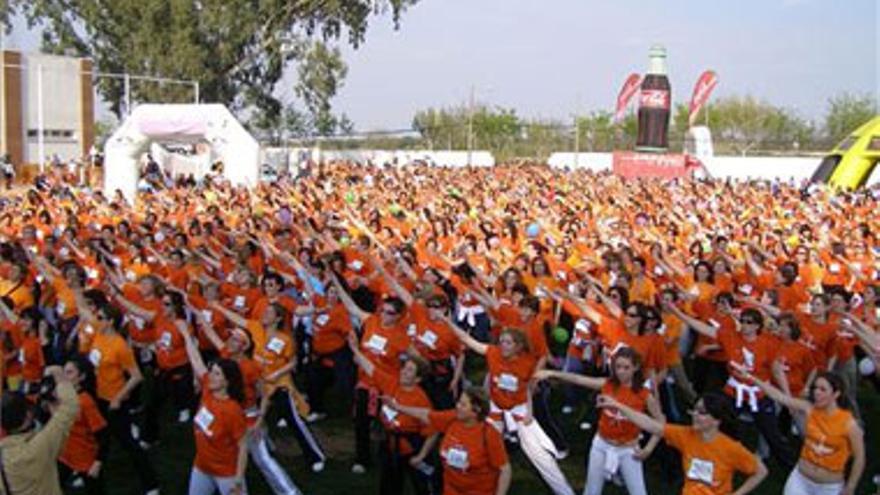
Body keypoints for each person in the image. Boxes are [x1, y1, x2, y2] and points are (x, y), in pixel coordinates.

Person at [535, 347, 663, 495]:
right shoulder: (607, 384)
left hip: (628, 449)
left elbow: (660, 424)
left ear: (636, 367)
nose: (621, 371)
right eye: (617, 367)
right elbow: (578, 379)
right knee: (591, 491)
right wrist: (552, 373)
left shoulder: (644, 395)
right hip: (602, 445)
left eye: (626, 367)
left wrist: (648, 449)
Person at [599, 391, 768, 495]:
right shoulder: (686, 435)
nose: (695, 415)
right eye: (694, 410)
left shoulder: (731, 448)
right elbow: (652, 425)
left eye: (701, 412)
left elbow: (761, 471)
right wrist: (618, 406)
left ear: (717, 420)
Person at [733, 364, 865, 495]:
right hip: (800, 479)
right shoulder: (809, 409)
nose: (816, 393)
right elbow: (780, 397)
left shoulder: (850, 424)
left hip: (829, 487)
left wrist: (850, 487)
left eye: (823, 389)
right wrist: (751, 378)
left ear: (836, 394)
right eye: (815, 388)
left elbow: (859, 457)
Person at [349, 331, 439, 495]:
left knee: (421, 486)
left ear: (418, 379)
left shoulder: (421, 400)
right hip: (390, 445)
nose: (404, 372)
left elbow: (433, 432)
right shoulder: (392, 383)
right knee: (389, 485)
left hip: (412, 448)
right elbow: (371, 369)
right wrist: (355, 349)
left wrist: (420, 457)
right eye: (404, 368)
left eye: (410, 370)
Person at [390, 387, 512, 495]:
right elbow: (425, 414)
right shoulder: (453, 418)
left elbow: (505, 469)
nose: (457, 406)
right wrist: (397, 407)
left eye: (463, 404)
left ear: (477, 410)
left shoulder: (489, 434)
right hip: (450, 490)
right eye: (459, 402)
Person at [177, 320, 249, 495]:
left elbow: (243, 445)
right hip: (201, 466)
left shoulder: (232, 410)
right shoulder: (208, 391)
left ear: (227, 381)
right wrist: (186, 335)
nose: (210, 376)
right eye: (212, 371)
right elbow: (196, 360)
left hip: (227, 473)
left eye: (216, 373)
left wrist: (238, 478)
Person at [0, 365, 79, 495]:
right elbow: (69, 407)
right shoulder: (37, 448)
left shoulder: (5, 452)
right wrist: (60, 376)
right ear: (28, 415)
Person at [57, 356, 109, 495]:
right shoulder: (63, 396)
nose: (65, 376)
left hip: (86, 460)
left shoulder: (85, 402)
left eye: (70, 372)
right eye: (64, 372)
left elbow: (103, 435)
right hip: (66, 456)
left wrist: (97, 463)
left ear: (82, 377)